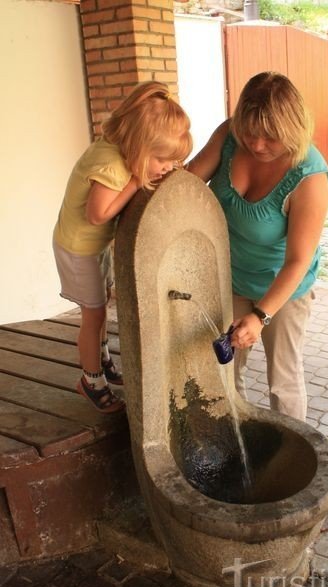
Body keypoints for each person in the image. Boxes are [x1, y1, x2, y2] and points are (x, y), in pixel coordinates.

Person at [188, 71, 328, 421]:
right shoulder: (230, 135)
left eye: (271, 138)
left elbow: (298, 261)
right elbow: (188, 183)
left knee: (283, 380)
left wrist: (260, 316)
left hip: (283, 289)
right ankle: (234, 441)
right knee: (225, 370)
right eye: (250, 134)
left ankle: (291, 456)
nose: (257, 145)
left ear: (292, 129)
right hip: (232, 278)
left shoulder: (309, 176)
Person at [53, 82, 192, 414]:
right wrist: (135, 181)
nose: (167, 167)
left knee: (100, 305)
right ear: (138, 146)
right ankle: (91, 381)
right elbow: (97, 214)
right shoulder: (112, 166)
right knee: (94, 313)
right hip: (78, 249)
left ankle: (101, 361)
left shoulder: (118, 150)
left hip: (91, 245)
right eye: (161, 159)